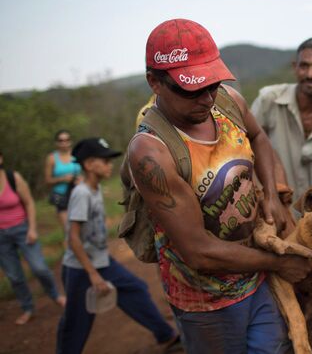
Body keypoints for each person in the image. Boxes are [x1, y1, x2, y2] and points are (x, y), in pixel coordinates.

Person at [127, 18, 311, 354]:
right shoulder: (151, 152)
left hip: (257, 277)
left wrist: (272, 194)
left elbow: (258, 138)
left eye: (211, 84)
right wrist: (278, 263)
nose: (206, 98)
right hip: (205, 299)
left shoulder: (227, 101)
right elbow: (199, 252)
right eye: (191, 89)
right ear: (155, 82)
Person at [56, 138, 179, 354]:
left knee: (134, 289)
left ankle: (166, 335)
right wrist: (92, 274)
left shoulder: (94, 190)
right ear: (89, 164)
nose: (109, 164)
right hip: (81, 268)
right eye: (104, 160)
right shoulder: (82, 193)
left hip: (101, 261)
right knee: (76, 322)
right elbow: (73, 238)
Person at [251, 37, 312, 205]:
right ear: (294, 67)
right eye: (304, 66)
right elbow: (246, 147)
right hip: (271, 209)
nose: (310, 74)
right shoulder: (269, 100)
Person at [0, 151, 65, 325]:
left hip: (22, 229)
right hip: (1, 237)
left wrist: (32, 229)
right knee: (14, 276)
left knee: (40, 268)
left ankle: (56, 295)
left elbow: (29, 202)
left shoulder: (13, 178)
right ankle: (27, 307)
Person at [44, 130, 81, 232]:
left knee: (81, 228)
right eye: (61, 140)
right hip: (61, 198)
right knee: (68, 230)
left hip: (78, 194)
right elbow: (47, 180)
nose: (64, 143)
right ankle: (69, 247)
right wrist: (62, 179)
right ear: (56, 142)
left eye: (67, 140)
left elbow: (86, 173)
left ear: (71, 141)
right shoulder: (51, 158)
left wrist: (81, 180)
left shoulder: (77, 154)